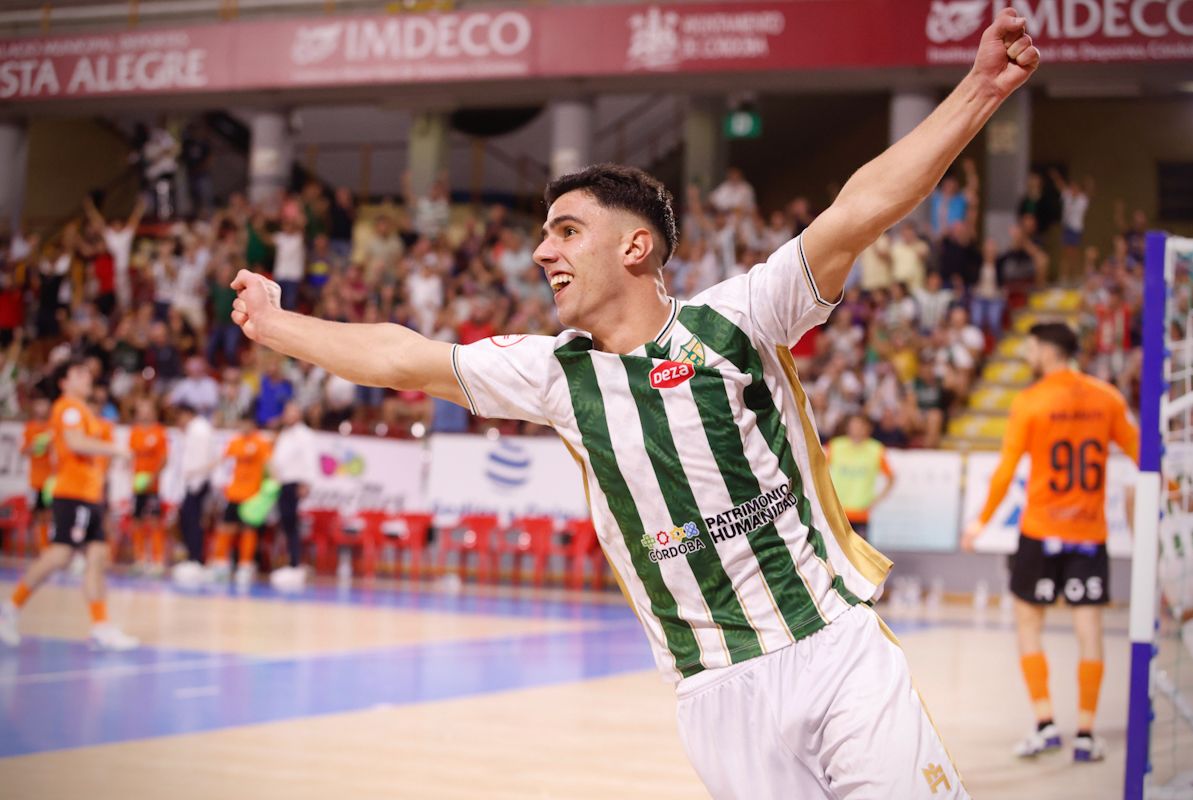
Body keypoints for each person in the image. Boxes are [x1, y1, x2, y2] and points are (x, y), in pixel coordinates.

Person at [230, 12, 1038, 797]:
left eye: (567, 230)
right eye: (544, 235)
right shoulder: (553, 374)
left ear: (635, 246)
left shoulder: (740, 315)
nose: (543, 250)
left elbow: (857, 212)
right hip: (716, 691)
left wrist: (977, 89)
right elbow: (403, 356)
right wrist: (275, 324)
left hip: (832, 647)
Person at [962, 322, 1138, 764]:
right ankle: (1085, 733)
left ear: (1046, 349)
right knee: (1089, 631)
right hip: (1088, 536)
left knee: (1028, 624)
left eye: (1030, 346)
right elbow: (1143, 454)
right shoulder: (1107, 398)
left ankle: (1044, 724)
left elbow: (1005, 471)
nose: (1026, 352)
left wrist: (979, 522)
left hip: (1039, 532)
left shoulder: (1030, 401)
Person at [0, 357, 137, 650]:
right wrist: (117, 451)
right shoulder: (69, 409)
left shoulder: (83, 410)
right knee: (60, 556)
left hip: (89, 495)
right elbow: (75, 443)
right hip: (72, 494)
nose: (87, 377)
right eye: (79, 374)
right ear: (64, 382)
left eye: (88, 373)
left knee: (97, 558)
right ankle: (10, 607)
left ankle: (101, 626)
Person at [211, 412, 273, 586]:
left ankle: (245, 565)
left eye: (246, 423)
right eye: (241, 424)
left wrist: (271, 488)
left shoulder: (261, 443)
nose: (243, 427)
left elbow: (269, 465)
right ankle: (220, 563)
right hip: (234, 493)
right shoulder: (235, 442)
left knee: (248, 530)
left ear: (252, 424)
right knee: (226, 528)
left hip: (252, 495)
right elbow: (223, 463)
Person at [269, 401, 318, 592]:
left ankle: (295, 564)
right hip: (282, 482)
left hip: (295, 482)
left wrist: (307, 482)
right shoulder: (285, 434)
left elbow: (309, 458)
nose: (289, 415)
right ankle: (290, 562)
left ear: (299, 414)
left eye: (293, 412)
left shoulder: (304, 435)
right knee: (285, 523)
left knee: (291, 524)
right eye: (287, 412)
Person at [827, 412, 895, 539]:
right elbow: (818, 470)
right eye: (853, 425)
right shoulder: (835, 446)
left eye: (860, 425)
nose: (856, 429)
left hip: (861, 512)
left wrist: (877, 500)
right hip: (838, 511)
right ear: (847, 427)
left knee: (860, 554)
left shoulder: (876, 449)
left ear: (867, 428)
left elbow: (891, 478)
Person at [171, 403, 216, 589]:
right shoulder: (194, 430)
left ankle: (196, 558)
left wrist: (196, 481)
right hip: (193, 481)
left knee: (193, 521)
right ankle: (192, 556)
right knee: (187, 520)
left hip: (198, 481)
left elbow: (204, 458)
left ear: (187, 414)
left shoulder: (200, 430)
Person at [128, 398, 170, 576]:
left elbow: (164, 458)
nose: (144, 412)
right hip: (137, 485)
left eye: (147, 409)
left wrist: (152, 478)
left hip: (153, 486)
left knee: (154, 521)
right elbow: (131, 455)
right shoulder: (134, 432)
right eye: (141, 409)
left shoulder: (160, 432)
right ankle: (140, 559)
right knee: (136, 521)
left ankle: (158, 560)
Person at [82, 195, 146, 311]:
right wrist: (90, 208)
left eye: (119, 224)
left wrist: (140, 207)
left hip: (122, 272)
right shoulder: (110, 235)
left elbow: (134, 220)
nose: (116, 226)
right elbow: (99, 222)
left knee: (125, 304)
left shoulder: (125, 236)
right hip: (108, 274)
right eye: (114, 224)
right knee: (106, 301)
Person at [21, 395, 55, 553]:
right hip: (36, 480)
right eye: (38, 404)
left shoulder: (52, 427)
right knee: (38, 513)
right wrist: (36, 445)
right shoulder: (30, 427)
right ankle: (41, 547)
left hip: (51, 480)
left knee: (50, 513)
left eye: (44, 404)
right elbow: (24, 451)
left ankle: (49, 545)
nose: (41, 408)